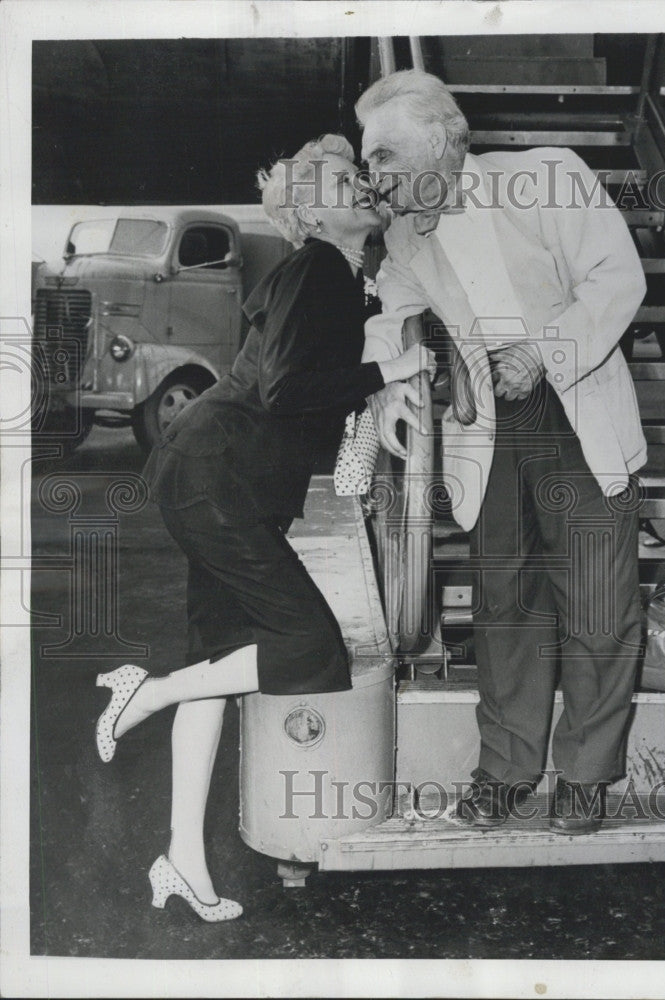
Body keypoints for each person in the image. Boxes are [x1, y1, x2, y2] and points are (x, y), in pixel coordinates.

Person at [94, 133, 435, 921]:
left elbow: (302, 384)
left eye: (358, 175)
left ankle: (182, 857)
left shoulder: (335, 277)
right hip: (216, 475)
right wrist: (394, 372)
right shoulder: (317, 267)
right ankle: (143, 693)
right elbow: (287, 391)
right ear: (312, 212)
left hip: (216, 477)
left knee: (218, 659)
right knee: (309, 648)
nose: (360, 185)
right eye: (343, 179)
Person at [356, 71, 647, 832]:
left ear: (442, 143)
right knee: (505, 605)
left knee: (595, 601)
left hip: (575, 405)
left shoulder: (549, 176)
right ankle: (506, 769)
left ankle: (584, 774)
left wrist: (544, 353)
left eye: (384, 156)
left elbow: (617, 280)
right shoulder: (403, 236)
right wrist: (391, 384)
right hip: (488, 429)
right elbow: (394, 315)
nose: (373, 176)